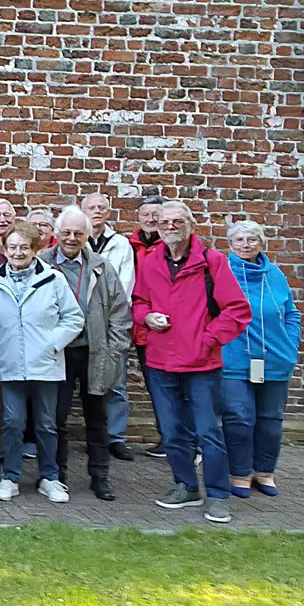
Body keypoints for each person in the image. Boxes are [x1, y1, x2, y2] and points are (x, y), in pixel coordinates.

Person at [133, 201, 252, 524]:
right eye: (164, 222)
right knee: (171, 431)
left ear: (190, 225)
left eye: (177, 221)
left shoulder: (212, 262)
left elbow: (237, 310)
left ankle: (217, 495)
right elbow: (138, 302)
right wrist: (147, 317)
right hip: (160, 360)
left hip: (202, 364)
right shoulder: (151, 262)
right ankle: (186, 485)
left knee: (207, 432)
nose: (170, 227)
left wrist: (207, 339)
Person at [0, 221, 85, 504]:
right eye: (12, 247)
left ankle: (50, 477)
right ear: (5, 249)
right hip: (10, 365)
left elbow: (74, 318)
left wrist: (51, 344)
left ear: (35, 250)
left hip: (46, 365)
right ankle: (10, 477)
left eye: (24, 248)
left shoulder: (53, 279)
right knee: (12, 422)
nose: (18, 253)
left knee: (47, 424)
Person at [39, 207, 132, 501]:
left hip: (95, 352)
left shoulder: (102, 267)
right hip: (57, 355)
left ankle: (100, 476)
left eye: (78, 233)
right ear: (56, 233)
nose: (71, 238)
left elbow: (120, 312)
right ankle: (57, 475)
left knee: (97, 418)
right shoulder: (41, 264)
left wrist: (113, 350)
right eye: (66, 232)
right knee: (56, 418)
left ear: (88, 235)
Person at [219, 220, 301, 499]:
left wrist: (291, 344)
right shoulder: (221, 271)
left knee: (271, 420)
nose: (246, 244)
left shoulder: (274, 274)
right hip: (234, 359)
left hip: (275, 358)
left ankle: (264, 472)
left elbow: (291, 313)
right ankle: (240, 472)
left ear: (262, 243)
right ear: (231, 244)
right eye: (239, 240)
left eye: (252, 239)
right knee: (239, 417)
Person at [81, 191, 138, 460]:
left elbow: (125, 286)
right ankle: (92, 435)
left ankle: (115, 437)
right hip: (81, 323)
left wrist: (111, 319)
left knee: (115, 381)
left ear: (108, 212)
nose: (97, 211)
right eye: (91, 207)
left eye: (101, 207)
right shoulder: (76, 240)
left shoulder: (120, 244)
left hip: (110, 321)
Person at [130, 194, 169, 457]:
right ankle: (168, 437)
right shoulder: (129, 246)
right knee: (156, 386)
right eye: (146, 214)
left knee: (173, 386)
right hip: (142, 326)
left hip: (168, 326)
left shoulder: (171, 246)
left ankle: (180, 439)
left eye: (156, 214)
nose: (151, 219)